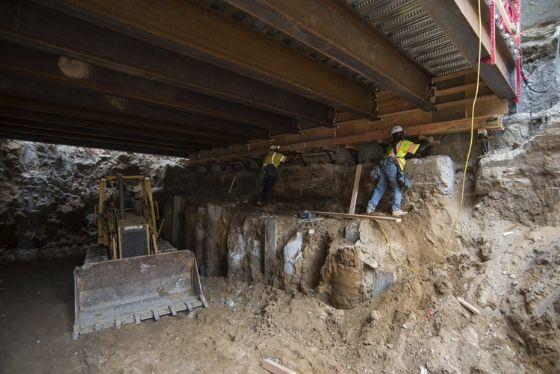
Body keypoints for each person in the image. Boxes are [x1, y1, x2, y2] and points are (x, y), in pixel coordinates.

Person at [366, 125, 427, 216]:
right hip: (391, 165)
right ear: (402, 133)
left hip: (384, 164)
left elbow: (402, 155)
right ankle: (396, 209)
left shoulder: (391, 146)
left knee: (380, 188)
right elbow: (419, 149)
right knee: (397, 187)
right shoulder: (403, 143)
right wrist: (427, 142)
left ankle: (370, 207)